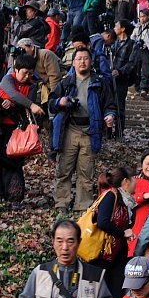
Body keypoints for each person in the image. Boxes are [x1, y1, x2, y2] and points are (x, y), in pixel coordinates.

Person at [50, 46, 113, 212]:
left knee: (86, 171)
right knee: (64, 168)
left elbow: (110, 105)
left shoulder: (99, 83)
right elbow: (51, 103)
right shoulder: (66, 82)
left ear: (91, 61)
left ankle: (82, 205)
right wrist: (60, 102)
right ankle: (62, 203)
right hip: (70, 128)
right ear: (73, 62)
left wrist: (110, 115)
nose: (82, 62)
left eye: (86, 58)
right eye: (79, 59)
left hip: (90, 130)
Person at [0, 54, 43, 208]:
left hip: (18, 128)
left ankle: (15, 197)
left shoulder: (33, 84)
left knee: (15, 162)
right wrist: (29, 105)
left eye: (30, 73)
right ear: (16, 70)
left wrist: (16, 103)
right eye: (24, 73)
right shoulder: (8, 79)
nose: (27, 76)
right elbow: (13, 93)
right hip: (0, 126)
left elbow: (23, 101)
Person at [90, 166, 137, 298]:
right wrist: (123, 233)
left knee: (115, 293)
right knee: (100, 294)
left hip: (117, 254)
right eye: (134, 179)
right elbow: (102, 221)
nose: (136, 183)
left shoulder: (128, 202)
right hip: (103, 254)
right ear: (126, 182)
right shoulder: (111, 196)